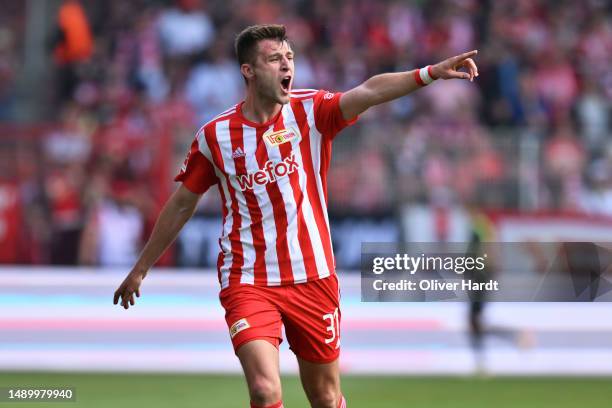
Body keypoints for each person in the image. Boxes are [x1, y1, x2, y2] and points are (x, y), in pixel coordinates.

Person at [114, 24, 478, 408]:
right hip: (248, 278)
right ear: (248, 71)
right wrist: (141, 268)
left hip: (313, 276)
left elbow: (369, 92)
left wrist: (429, 73)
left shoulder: (311, 111)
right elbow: (182, 203)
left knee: (324, 396)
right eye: (275, 59)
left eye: (290, 58)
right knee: (265, 390)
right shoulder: (215, 136)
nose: (286, 65)